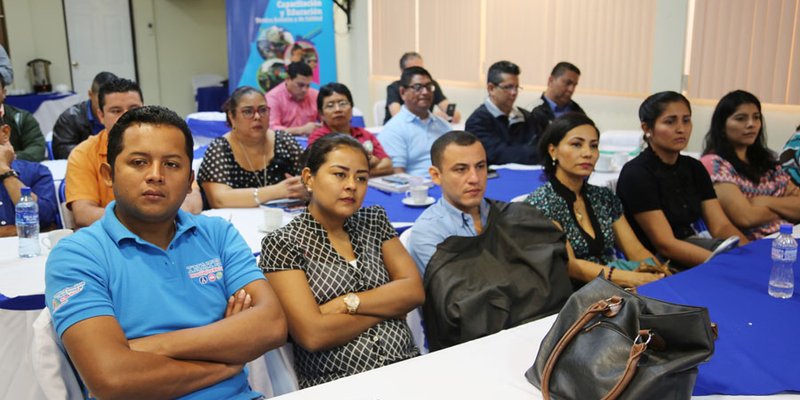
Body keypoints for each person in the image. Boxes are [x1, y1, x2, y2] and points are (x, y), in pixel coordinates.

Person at [45, 106, 287, 399]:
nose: (156, 175)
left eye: (172, 164)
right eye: (138, 162)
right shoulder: (78, 255)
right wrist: (226, 358)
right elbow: (112, 379)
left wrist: (145, 346)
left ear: (189, 181)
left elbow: (272, 325)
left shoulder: (217, 234)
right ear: (109, 175)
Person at [260, 133, 424, 388]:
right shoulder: (284, 243)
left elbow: (413, 291)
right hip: (338, 382)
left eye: (361, 177)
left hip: (407, 366)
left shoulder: (374, 221)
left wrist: (346, 303)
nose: (352, 185)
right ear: (308, 178)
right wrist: (388, 308)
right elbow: (313, 334)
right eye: (340, 174)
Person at [525, 113, 664, 287]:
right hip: (573, 294)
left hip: (616, 284)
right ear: (553, 151)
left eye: (594, 146)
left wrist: (661, 273)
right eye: (576, 144)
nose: (587, 153)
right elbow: (571, 266)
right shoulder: (540, 203)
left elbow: (635, 250)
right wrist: (632, 279)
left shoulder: (603, 197)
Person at [616, 91, 748, 269]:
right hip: (655, 260)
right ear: (647, 129)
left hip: (690, 245)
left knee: (749, 261)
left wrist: (750, 252)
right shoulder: (637, 173)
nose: (681, 129)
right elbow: (665, 244)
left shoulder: (694, 167)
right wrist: (722, 264)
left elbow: (721, 225)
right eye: (670, 122)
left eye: (686, 120)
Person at [66, 77, 201, 228]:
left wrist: (159, 219)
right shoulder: (83, 154)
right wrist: (146, 222)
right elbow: (84, 214)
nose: (125, 116)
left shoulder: (165, 145)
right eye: (116, 111)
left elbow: (193, 201)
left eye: (133, 109)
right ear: (101, 116)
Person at [701, 90, 799, 239]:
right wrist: (785, 207)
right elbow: (746, 217)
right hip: (753, 243)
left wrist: (765, 201)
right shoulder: (714, 163)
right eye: (741, 119)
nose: (751, 124)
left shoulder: (768, 160)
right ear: (722, 125)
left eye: (756, 117)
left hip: (788, 239)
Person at [198, 86, 305, 208]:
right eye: (248, 112)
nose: (257, 117)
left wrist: (306, 190)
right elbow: (219, 200)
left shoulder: (284, 141)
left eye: (263, 110)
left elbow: (313, 179)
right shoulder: (219, 148)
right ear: (232, 116)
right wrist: (277, 191)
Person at [407, 131, 491, 275]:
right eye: (461, 169)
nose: (474, 178)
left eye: (480, 166)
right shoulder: (428, 233)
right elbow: (460, 292)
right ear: (436, 175)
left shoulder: (502, 213)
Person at [465, 60, 542, 165]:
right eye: (508, 87)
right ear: (491, 88)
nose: (514, 93)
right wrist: (532, 152)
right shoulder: (477, 121)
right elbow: (497, 155)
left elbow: (542, 147)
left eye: (516, 87)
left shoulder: (527, 117)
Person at [379, 66, 451, 176]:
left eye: (429, 87)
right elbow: (397, 176)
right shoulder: (394, 129)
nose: (425, 92)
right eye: (418, 87)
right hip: (417, 189)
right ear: (403, 92)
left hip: (448, 184)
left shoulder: (443, 126)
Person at [308, 83, 392, 176]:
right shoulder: (318, 138)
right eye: (330, 105)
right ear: (321, 114)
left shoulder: (365, 134)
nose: (338, 109)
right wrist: (369, 163)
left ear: (351, 108)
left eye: (342, 104)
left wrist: (357, 174)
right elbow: (328, 171)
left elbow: (387, 165)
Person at [0, 116, 58, 236]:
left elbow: (43, 220)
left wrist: (6, 172)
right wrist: (12, 231)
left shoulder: (36, 172)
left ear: (5, 133)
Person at [51, 71, 117, 159]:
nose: (107, 103)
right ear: (90, 94)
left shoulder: (124, 115)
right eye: (101, 98)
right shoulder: (69, 118)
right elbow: (63, 153)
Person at [384, 52, 460, 124]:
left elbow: (453, 114)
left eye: (420, 69)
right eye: (413, 70)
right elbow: (398, 116)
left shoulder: (430, 85)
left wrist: (451, 115)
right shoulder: (394, 88)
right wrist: (433, 115)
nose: (424, 92)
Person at [265, 61, 319, 136]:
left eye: (308, 85)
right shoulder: (272, 98)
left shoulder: (315, 95)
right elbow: (271, 130)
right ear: (287, 79)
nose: (305, 90)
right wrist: (301, 130)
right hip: (281, 144)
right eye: (300, 85)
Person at [530, 62, 586, 134]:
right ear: (551, 80)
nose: (571, 89)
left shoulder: (577, 111)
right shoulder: (533, 111)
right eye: (567, 83)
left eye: (574, 85)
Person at [1, 76, 45, 162]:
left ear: (4, 93)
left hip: (17, 170)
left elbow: (36, 149)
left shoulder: (22, 118)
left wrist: (10, 157)